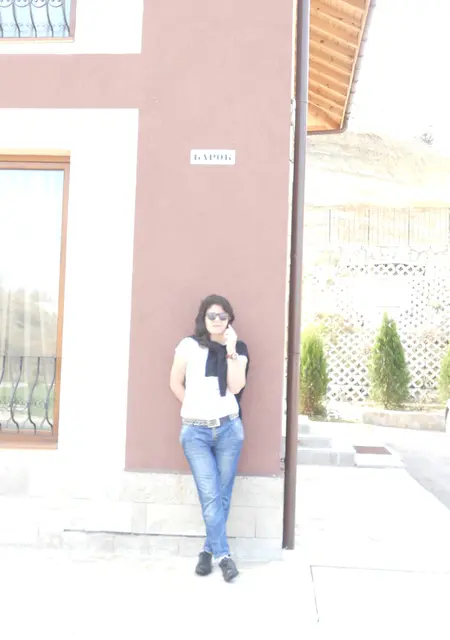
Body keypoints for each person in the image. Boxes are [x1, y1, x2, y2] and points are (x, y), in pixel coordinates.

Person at [170, 294, 249, 582]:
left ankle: (207, 550)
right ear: (203, 318)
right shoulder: (188, 346)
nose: (217, 320)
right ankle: (224, 556)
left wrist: (230, 350)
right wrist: (193, 408)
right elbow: (174, 382)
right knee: (210, 494)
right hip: (196, 433)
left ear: (230, 320)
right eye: (211, 315)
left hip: (229, 430)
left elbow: (236, 387)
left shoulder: (238, 349)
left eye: (222, 316)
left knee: (222, 495)